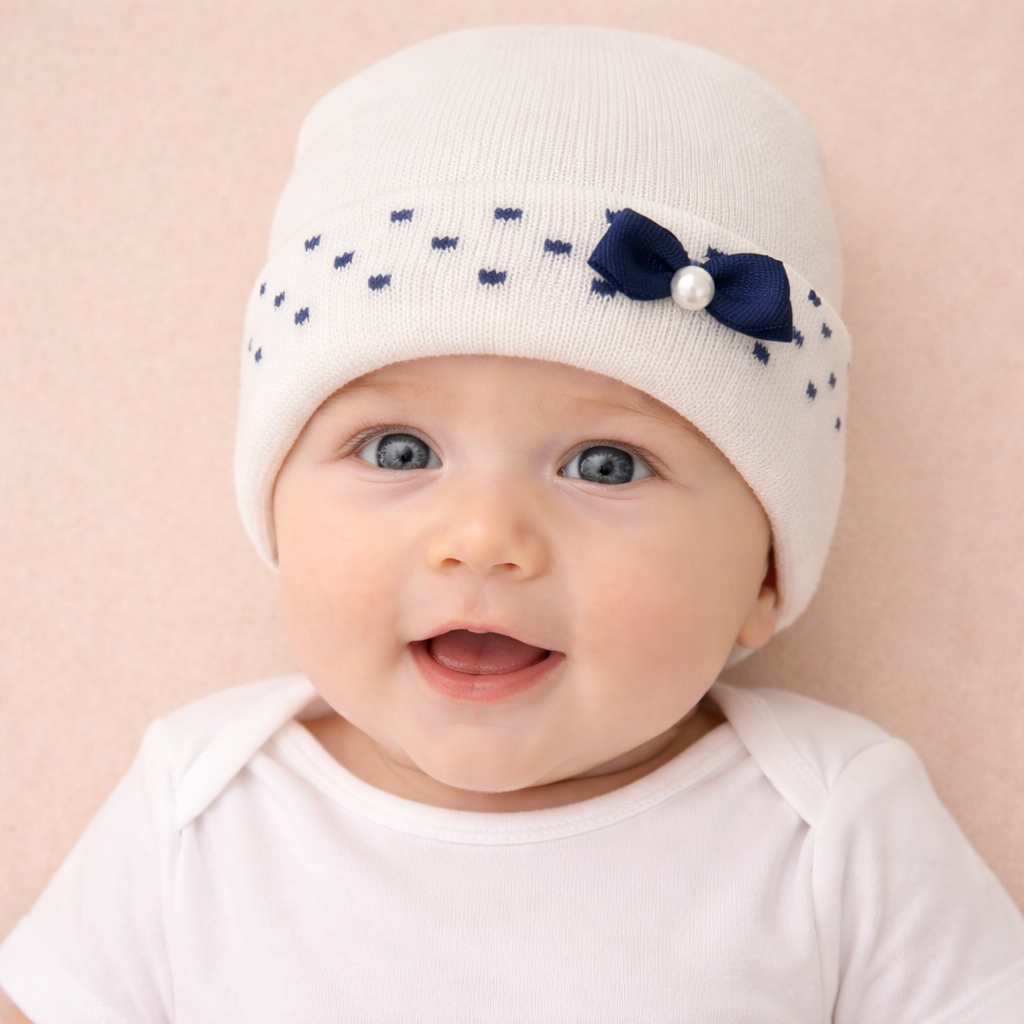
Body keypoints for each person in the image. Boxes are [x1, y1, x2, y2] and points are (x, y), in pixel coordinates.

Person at [2, 25, 1022, 1022]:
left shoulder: (828, 820)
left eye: (606, 465)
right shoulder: (200, 801)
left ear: (764, 575)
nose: (484, 537)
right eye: (398, 451)